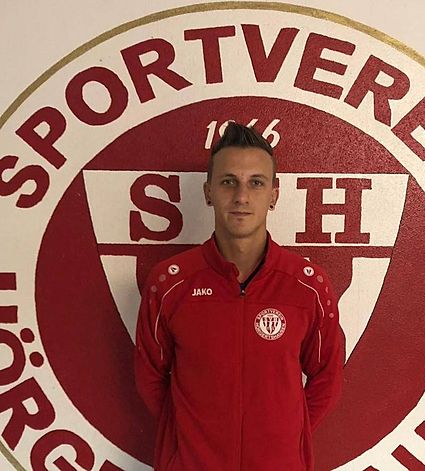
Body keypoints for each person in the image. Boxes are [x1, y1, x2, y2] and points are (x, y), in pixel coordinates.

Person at [135, 122, 343, 471]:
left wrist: (282, 435)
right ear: (208, 192)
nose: (241, 197)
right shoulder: (170, 283)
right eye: (228, 181)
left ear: (274, 195)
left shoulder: (308, 286)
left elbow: (328, 378)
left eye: (256, 183)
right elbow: (149, 376)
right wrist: (189, 439)